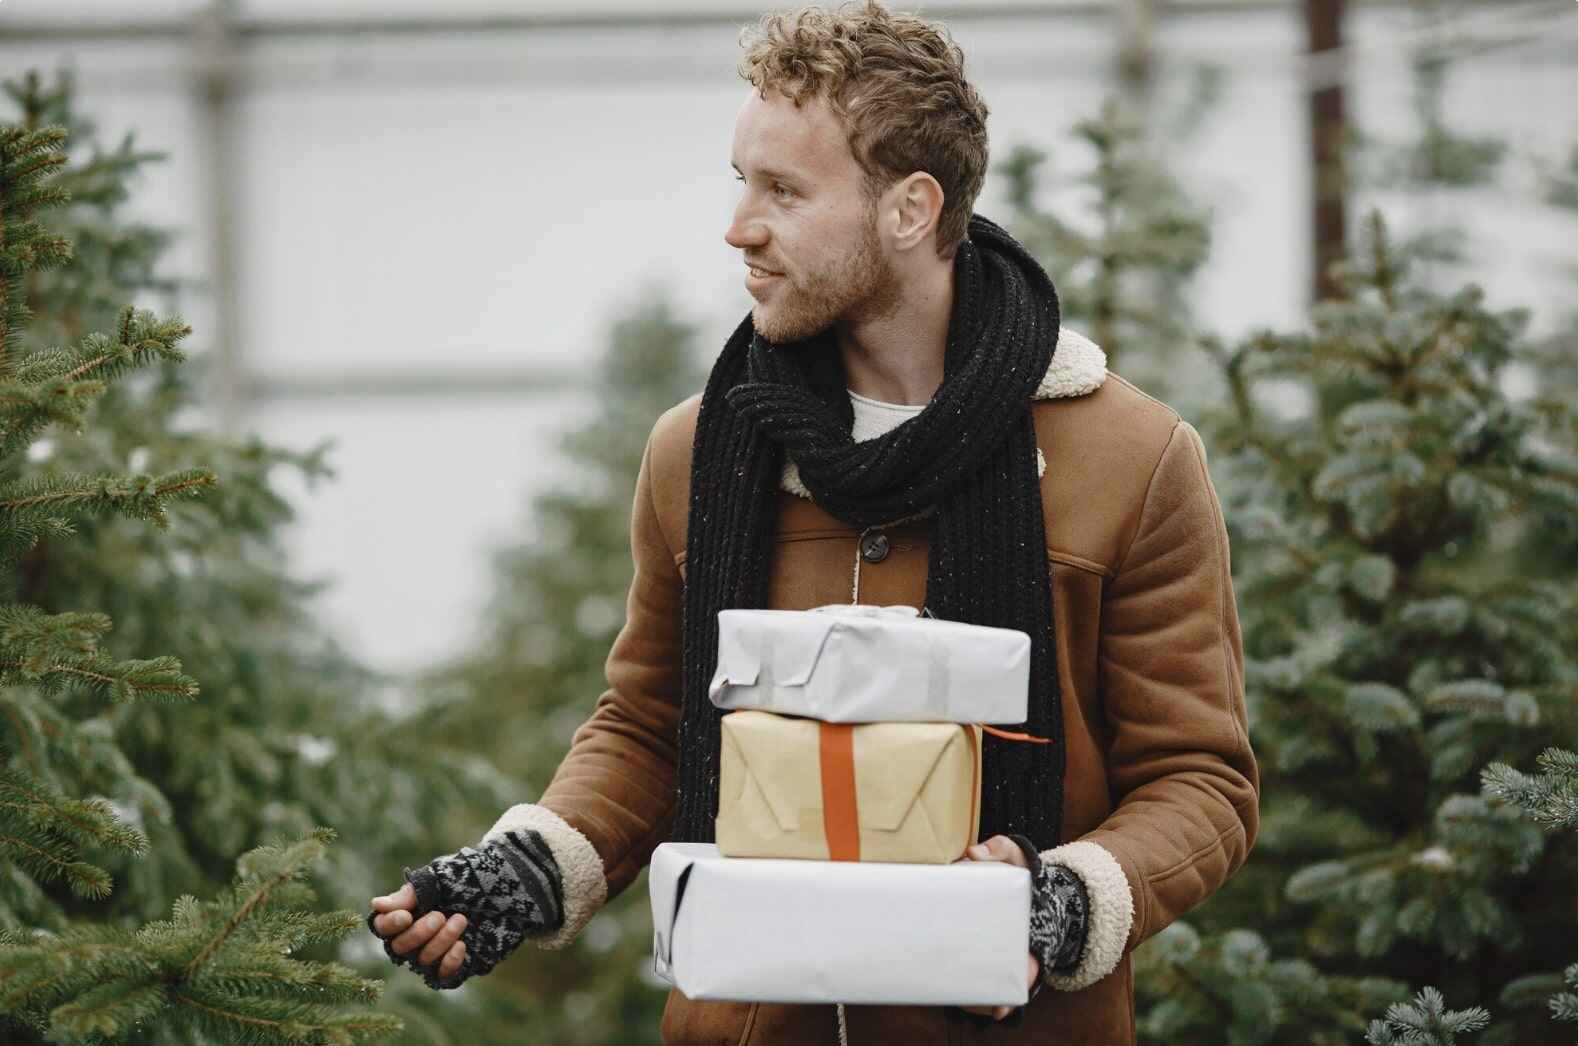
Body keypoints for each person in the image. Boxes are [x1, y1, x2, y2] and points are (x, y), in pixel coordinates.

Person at [367, 2, 1260, 1042]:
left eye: (784, 190)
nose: (739, 226)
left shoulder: (1130, 459)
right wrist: (532, 863)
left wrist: (1059, 900)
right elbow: (654, 728)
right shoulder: (699, 452)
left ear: (911, 209)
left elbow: (1201, 783)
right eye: (741, 180)